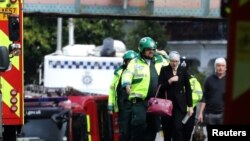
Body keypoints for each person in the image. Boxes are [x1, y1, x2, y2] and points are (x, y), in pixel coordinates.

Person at [122, 37, 169, 141]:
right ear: (142, 50)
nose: (151, 52)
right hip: (140, 101)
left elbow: (173, 66)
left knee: (153, 128)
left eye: (153, 49)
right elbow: (127, 73)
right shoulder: (135, 62)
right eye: (148, 50)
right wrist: (127, 84)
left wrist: (165, 55)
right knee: (140, 124)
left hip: (155, 102)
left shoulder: (160, 60)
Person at [158, 51, 193, 141]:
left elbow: (188, 89)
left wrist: (190, 106)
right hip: (166, 104)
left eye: (176, 61)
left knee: (177, 128)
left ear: (179, 61)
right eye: (172, 61)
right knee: (167, 130)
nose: (174, 63)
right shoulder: (164, 69)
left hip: (179, 105)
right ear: (169, 61)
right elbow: (160, 87)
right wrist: (169, 81)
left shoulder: (183, 70)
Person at [107, 50, 137, 141]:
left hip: (136, 105)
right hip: (123, 106)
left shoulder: (140, 71)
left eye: (132, 61)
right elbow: (112, 89)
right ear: (125, 61)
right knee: (124, 132)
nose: (130, 63)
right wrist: (110, 105)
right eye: (128, 61)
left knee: (136, 132)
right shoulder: (119, 73)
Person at [197, 57, 227, 125]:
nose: (220, 68)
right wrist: (200, 113)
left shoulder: (229, 80)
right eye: (218, 65)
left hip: (224, 114)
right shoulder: (209, 80)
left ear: (225, 68)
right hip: (210, 114)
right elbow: (204, 98)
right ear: (215, 67)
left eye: (223, 66)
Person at [180, 56, 203, 141]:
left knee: (187, 134)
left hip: (189, 112)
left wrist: (188, 102)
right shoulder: (173, 78)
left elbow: (199, 95)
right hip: (176, 111)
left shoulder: (193, 80)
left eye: (184, 68)